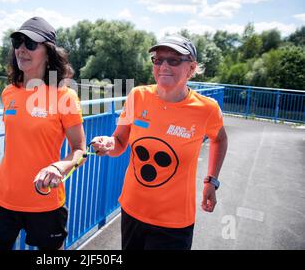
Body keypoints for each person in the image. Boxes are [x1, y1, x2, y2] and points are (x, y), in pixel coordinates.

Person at [91, 34, 228, 250]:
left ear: (191, 68)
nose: (163, 65)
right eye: (158, 59)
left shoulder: (206, 109)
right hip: (132, 210)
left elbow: (219, 138)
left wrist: (211, 180)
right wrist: (108, 143)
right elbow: (119, 143)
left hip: (174, 221)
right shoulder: (137, 96)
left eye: (173, 60)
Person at [0, 16, 86, 250]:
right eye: (18, 42)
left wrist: (58, 167)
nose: (21, 49)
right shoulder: (9, 93)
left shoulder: (64, 97)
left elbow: (79, 151)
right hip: (3, 199)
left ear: (48, 52)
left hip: (44, 200)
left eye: (31, 44)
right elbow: (15, 148)